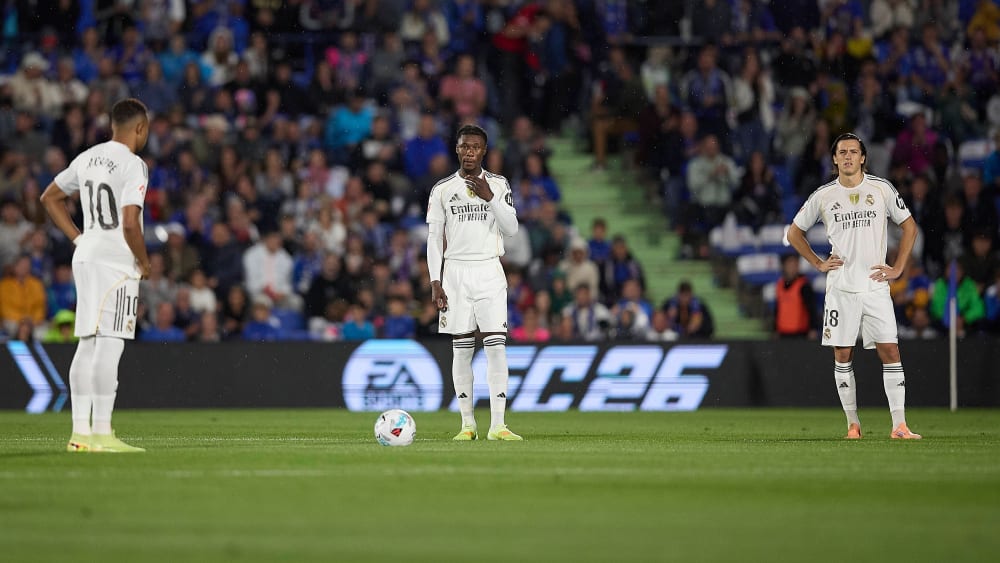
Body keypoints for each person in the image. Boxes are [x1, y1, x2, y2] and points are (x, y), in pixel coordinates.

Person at [786, 132, 922, 440]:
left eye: (853, 152)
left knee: (890, 350)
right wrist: (818, 263)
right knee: (843, 353)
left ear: (863, 158)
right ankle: (853, 424)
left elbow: (910, 227)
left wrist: (898, 268)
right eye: (842, 152)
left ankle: (899, 425)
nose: (848, 156)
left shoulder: (881, 188)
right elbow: (794, 233)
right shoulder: (824, 195)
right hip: (841, 288)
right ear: (834, 159)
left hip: (875, 285)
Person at [39, 98, 152, 453]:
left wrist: (78, 238)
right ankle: (102, 432)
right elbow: (130, 222)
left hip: (86, 256)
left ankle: (80, 434)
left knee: (87, 342)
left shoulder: (87, 157)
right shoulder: (134, 164)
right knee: (110, 342)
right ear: (140, 128)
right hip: (116, 262)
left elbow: (49, 198)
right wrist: (144, 262)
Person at [426, 124, 522, 441]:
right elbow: (434, 238)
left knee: (496, 347)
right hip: (455, 272)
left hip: (489, 269)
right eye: (464, 146)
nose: (469, 152)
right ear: (457, 149)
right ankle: (467, 425)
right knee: (462, 350)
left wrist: (490, 197)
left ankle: (498, 426)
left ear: (484, 151)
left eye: (475, 147)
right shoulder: (442, 189)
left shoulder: (498, 183)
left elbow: (511, 229)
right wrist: (435, 280)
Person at [774, 254, 818, 339]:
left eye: (795, 264)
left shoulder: (804, 285)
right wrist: (775, 328)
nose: (793, 268)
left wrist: (813, 328)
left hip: (800, 333)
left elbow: (811, 308)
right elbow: (777, 309)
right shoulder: (779, 285)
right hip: (783, 332)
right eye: (790, 264)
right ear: (784, 266)